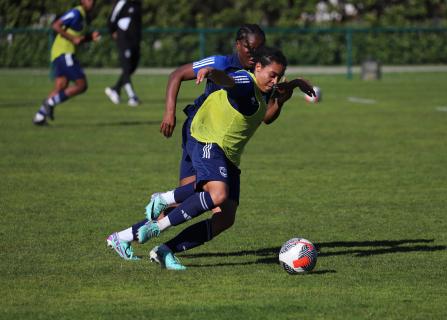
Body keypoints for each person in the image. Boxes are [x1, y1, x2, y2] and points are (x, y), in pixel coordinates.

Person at [107, 46, 316, 270]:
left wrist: (291, 87)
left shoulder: (265, 90)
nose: (275, 80)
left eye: (279, 76)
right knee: (215, 194)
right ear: (257, 67)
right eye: (271, 74)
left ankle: (162, 249)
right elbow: (229, 81)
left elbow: (266, 117)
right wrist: (211, 73)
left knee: (225, 217)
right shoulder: (246, 81)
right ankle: (162, 205)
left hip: (230, 155)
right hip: (210, 141)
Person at [107, 24, 267, 260]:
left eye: (259, 49)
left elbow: (266, 116)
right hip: (200, 133)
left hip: (225, 144)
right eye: (249, 48)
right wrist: (169, 112)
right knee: (200, 199)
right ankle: (136, 238)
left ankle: (143, 242)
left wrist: (286, 91)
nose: (254, 54)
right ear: (238, 45)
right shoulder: (222, 63)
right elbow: (177, 74)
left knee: (225, 215)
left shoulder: (260, 74)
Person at [33, 0, 100, 126]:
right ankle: (50, 103)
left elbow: (78, 39)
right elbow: (56, 25)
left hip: (63, 53)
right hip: (64, 53)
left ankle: (39, 117)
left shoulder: (85, 16)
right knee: (81, 85)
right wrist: (72, 38)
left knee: (61, 86)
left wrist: (90, 38)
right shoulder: (76, 13)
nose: (92, 2)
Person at [104, 0, 142, 107]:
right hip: (124, 40)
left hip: (135, 42)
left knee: (132, 67)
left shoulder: (137, 4)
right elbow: (112, 19)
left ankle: (115, 89)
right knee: (126, 67)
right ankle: (132, 96)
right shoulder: (122, 3)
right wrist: (113, 32)